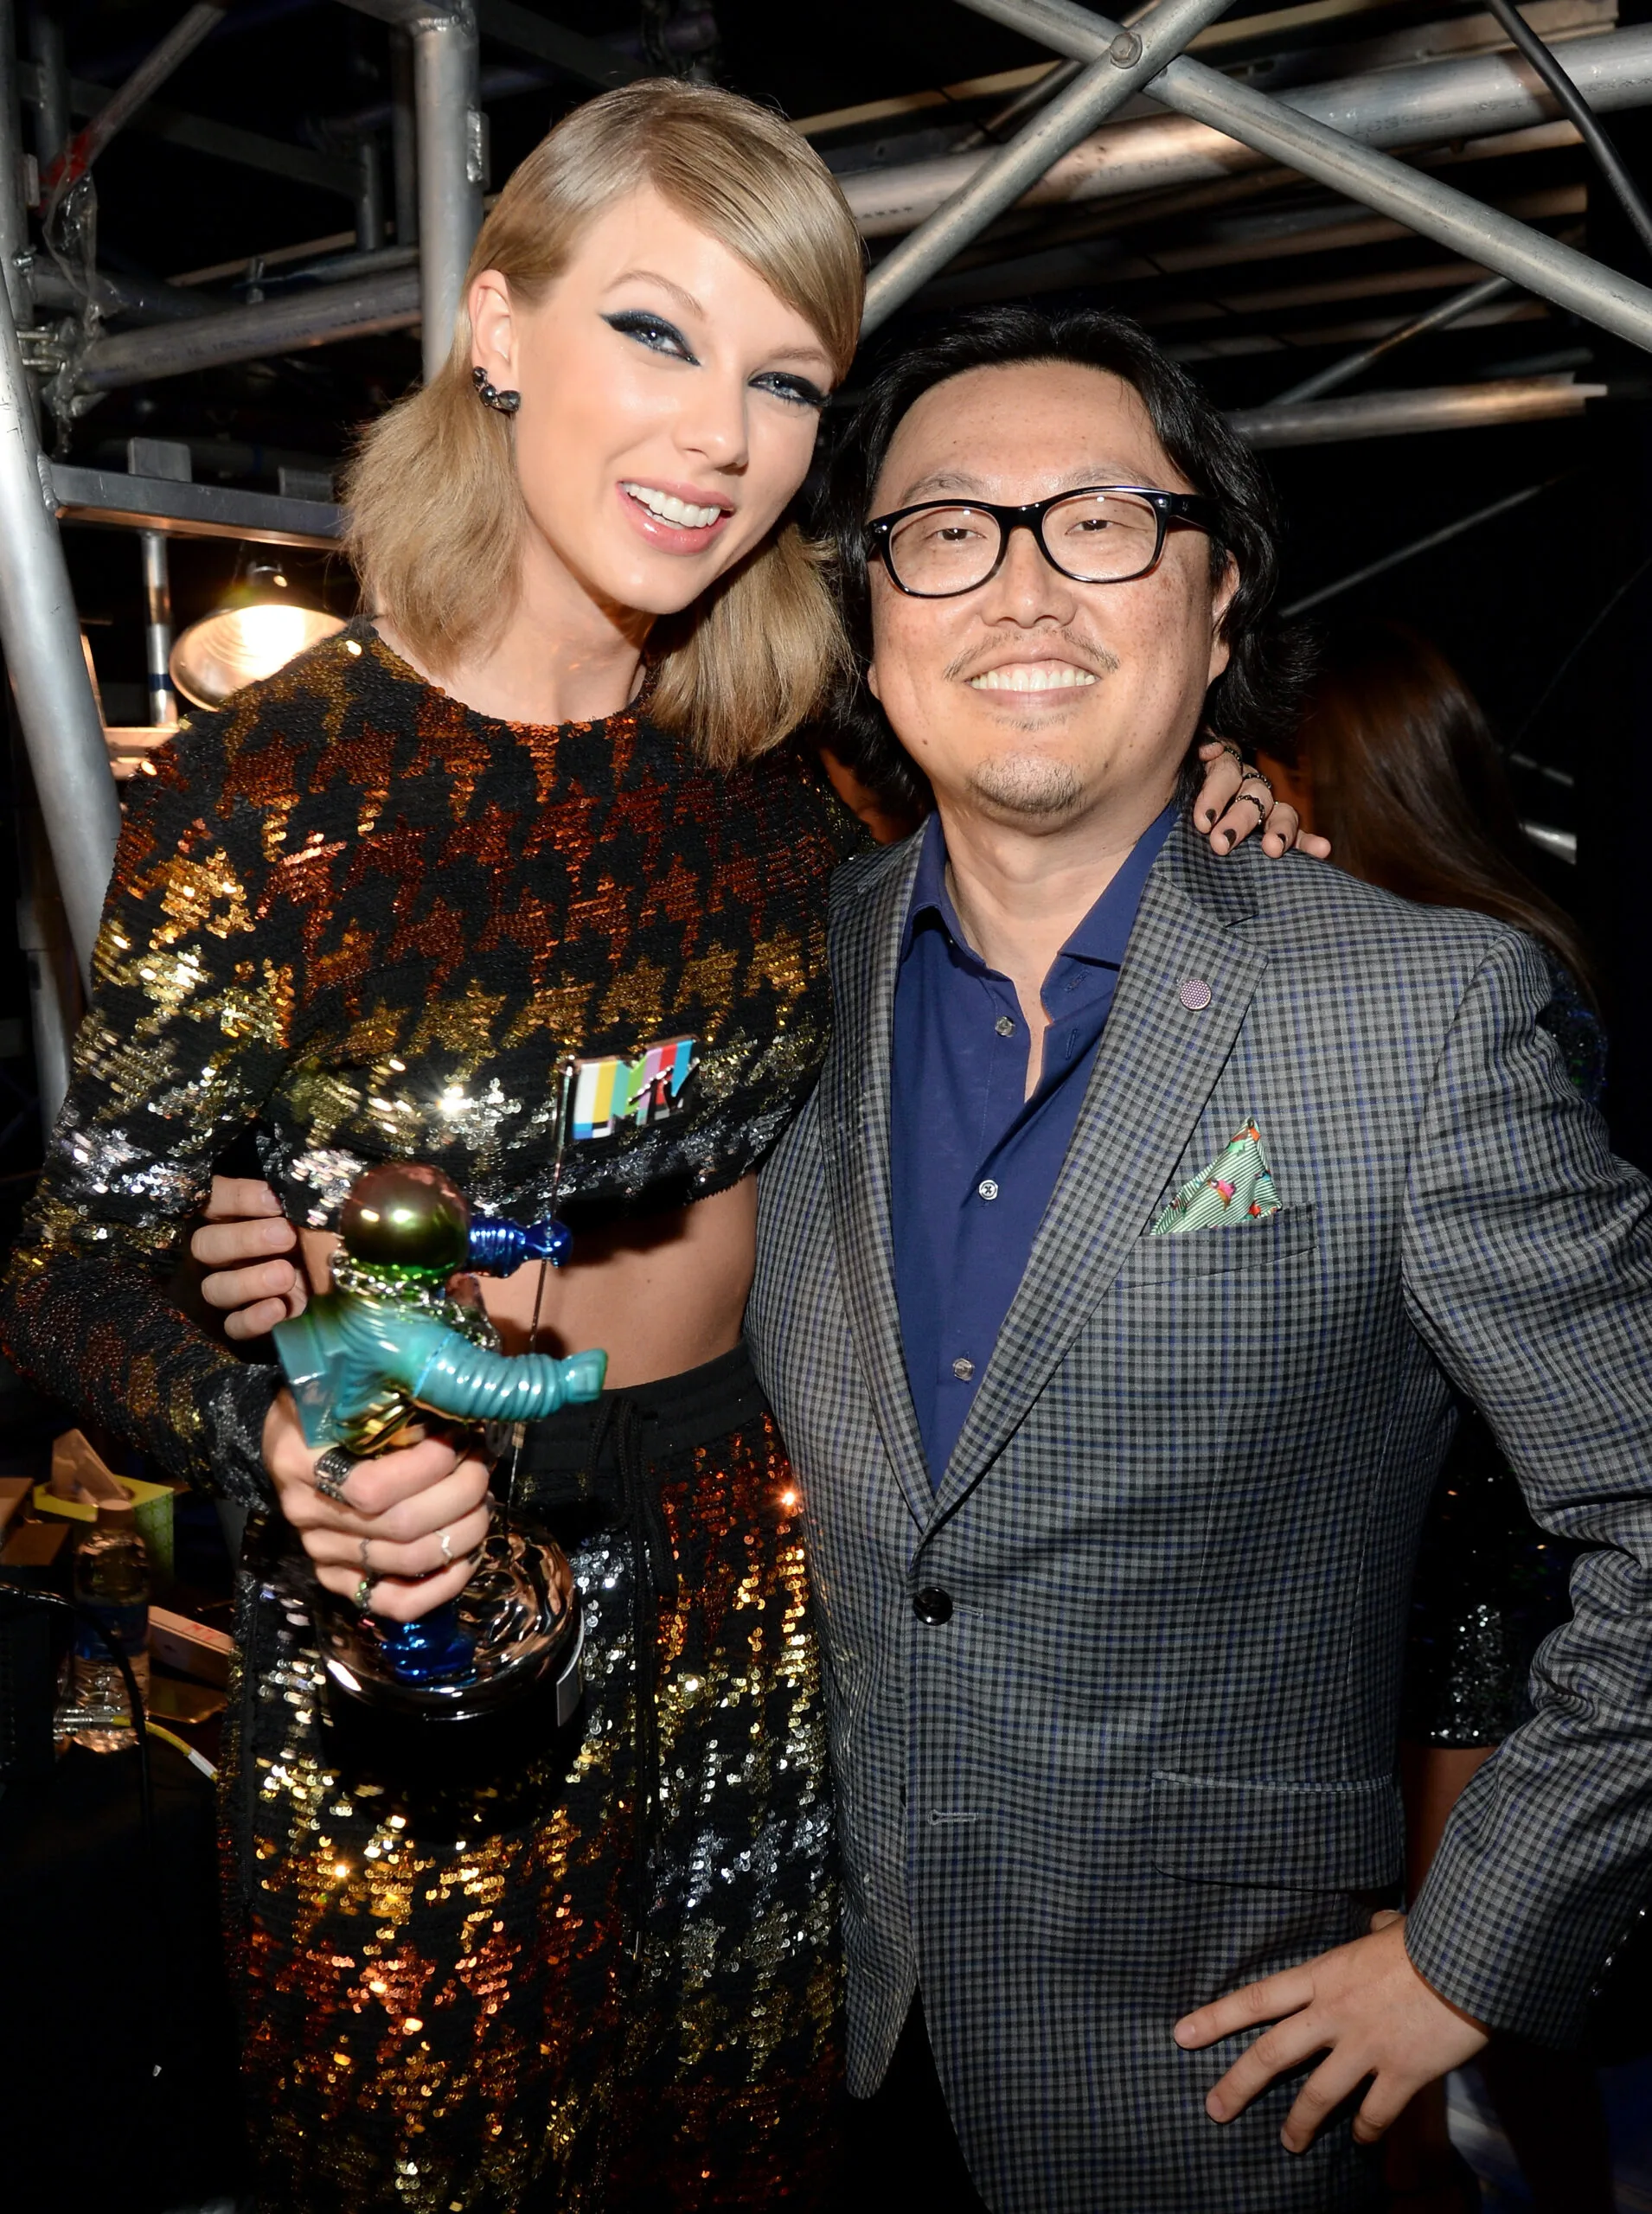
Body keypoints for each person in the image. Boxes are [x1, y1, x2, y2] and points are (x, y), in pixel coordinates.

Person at [0, 92, 1303, 2214]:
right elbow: (62, 1267)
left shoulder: (783, 753)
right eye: (654, 333)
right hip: (412, 1589)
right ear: (497, 328)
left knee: (740, 2160)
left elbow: (1047, 797)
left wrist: (1211, 800)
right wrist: (273, 1434)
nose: (723, 431)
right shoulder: (271, 792)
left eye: (785, 375)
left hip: (754, 1568)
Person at [744, 304, 1652, 2213]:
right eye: (948, 528)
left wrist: (1467, 1948)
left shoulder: (1417, 1013)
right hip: (811, 2043)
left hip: (1206, 2066)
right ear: (870, 608)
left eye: (1099, 522)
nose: (1019, 587)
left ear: (1217, 601)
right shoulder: (768, 983)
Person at [1261, 622, 1613, 2214]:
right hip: (1419, 1545)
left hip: (1474, 1556)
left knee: (1462, 1980)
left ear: (1348, 779)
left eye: (1283, 772)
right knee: (1402, 1997)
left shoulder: (1473, 984)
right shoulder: (1427, 949)